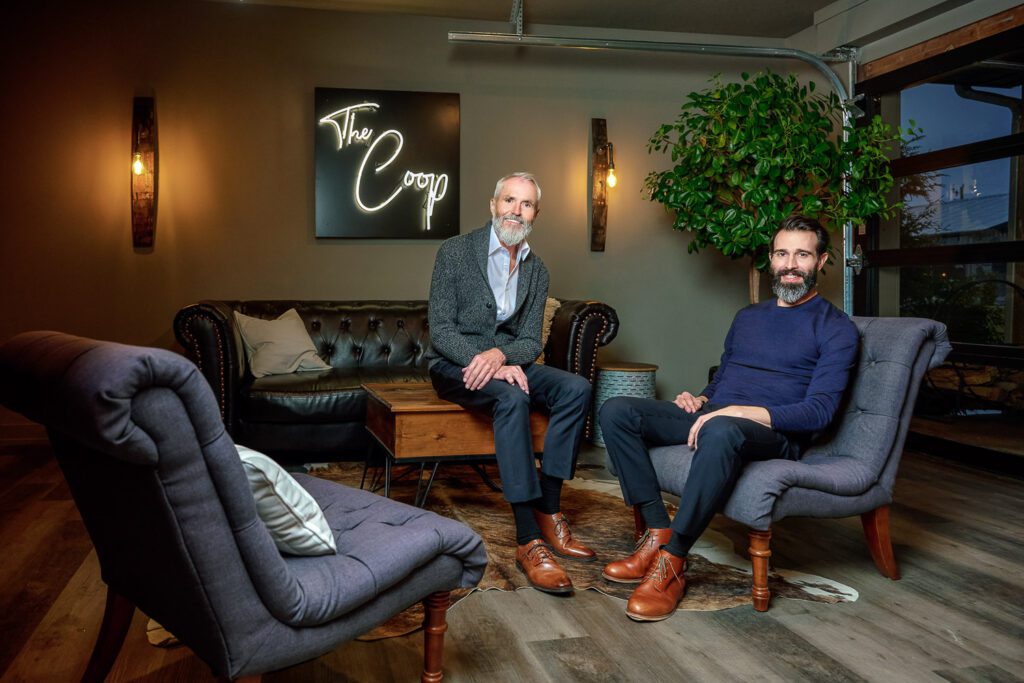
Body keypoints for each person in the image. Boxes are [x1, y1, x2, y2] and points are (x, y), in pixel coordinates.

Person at [599, 214, 859, 621]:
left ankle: (672, 563)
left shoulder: (836, 329)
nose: (790, 264)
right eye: (781, 253)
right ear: (771, 259)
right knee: (617, 410)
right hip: (719, 416)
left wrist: (736, 412)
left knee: (721, 427)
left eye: (802, 254)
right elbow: (725, 378)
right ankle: (656, 531)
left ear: (821, 261)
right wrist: (701, 398)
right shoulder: (748, 318)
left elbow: (819, 412)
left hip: (776, 432)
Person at [425, 171, 594, 595]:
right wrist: (485, 361)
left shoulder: (537, 270)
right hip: (453, 365)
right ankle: (527, 539)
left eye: (526, 204)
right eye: (509, 201)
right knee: (511, 399)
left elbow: (526, 341)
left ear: (536, 213)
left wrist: (501, 357)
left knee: (577, 389)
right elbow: (440, 330)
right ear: (493, 205)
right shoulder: (455, 252)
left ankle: (548, 509)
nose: (516, 211)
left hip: (506, 364)